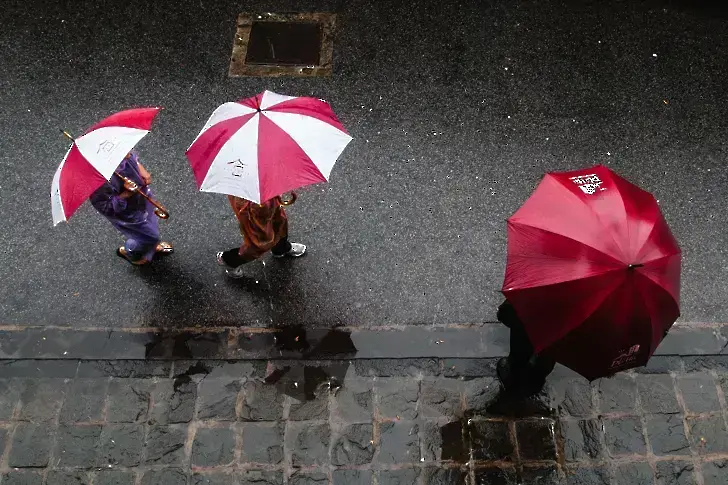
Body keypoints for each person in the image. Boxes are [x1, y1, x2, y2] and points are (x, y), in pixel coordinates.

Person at [89, 150, 173, 265]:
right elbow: (106, 208)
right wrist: (125, 195)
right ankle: (131, 252)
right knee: (151, 236)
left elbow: (132, 156)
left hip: (142, 199)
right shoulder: (99, 184)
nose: (127, 154)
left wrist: (140, 168)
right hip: (129, 213)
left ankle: (151, 245)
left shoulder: (118, 150)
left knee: (151, 223)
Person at [216, 194, 306, 278]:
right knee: (261, 242)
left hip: (269, 198)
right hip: (255, 206)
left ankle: (280, 248)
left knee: (279, 223)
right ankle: (229, 260)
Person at [496, 299, 555, 398]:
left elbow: (502, 313)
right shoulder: (559, 314)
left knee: (506, 365)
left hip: (521, 370)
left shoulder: (525, 301)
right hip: (532, 370)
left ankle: (517, 392)